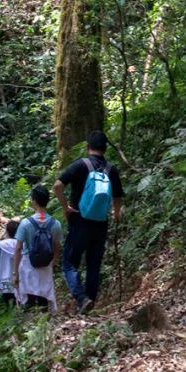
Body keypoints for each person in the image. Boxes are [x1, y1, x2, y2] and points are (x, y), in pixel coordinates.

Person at [53, 130, 124, 314]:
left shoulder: (80, 165)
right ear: (105, 148)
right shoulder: (111, 169)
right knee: (94, 265)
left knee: (69, 263)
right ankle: (89, 305)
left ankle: (82, 299)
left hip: (79, 221)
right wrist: (116, 213)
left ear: (87, 147)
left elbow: (58, 186)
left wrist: (66, 207)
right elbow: (118, 197)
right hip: (100, 223)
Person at [13, 185, 61, 312]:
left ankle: (30, 322)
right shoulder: (56, 224)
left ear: (34, 200)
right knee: (43, 300)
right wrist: (52, 263)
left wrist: (16, 274)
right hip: (45, 266)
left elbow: (18, 249)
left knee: (29, 300)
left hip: (28, 266)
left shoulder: (25, 223)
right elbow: (57, 248)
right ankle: (44, 321)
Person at [0, 219, 21, 308]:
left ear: (7, 231)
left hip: (4, 278)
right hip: (19, 277)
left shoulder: (0, 245)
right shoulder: (22, 244)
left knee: (7, 305)